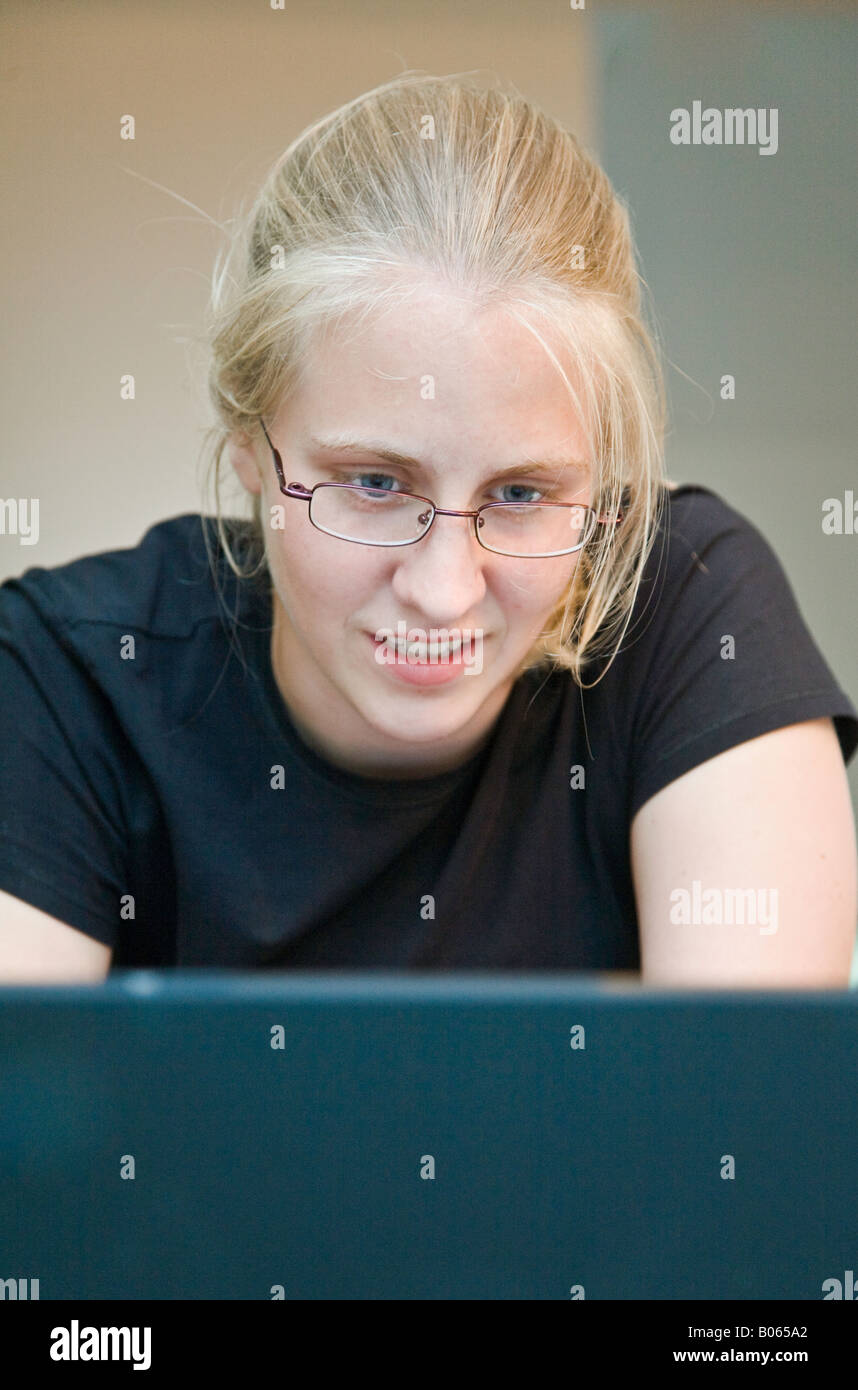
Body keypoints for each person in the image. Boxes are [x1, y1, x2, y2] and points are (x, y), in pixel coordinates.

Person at [1, 73, 856, 985]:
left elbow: (738, 1114)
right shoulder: (71, 678)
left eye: (523, 494)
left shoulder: (690, 608)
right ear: (249, 441)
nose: (445, 589)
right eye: (374, 483)